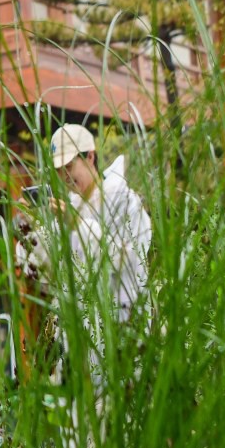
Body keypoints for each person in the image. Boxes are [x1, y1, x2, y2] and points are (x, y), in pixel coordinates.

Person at [50, 123, 155, 333]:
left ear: (90, 156)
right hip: (84, 335)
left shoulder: (123, 199)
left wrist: (79, 226)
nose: (65, 176)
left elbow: (127, 258)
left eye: (69, 166)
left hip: (124, 325)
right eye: (59, 171)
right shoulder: (68, 208)